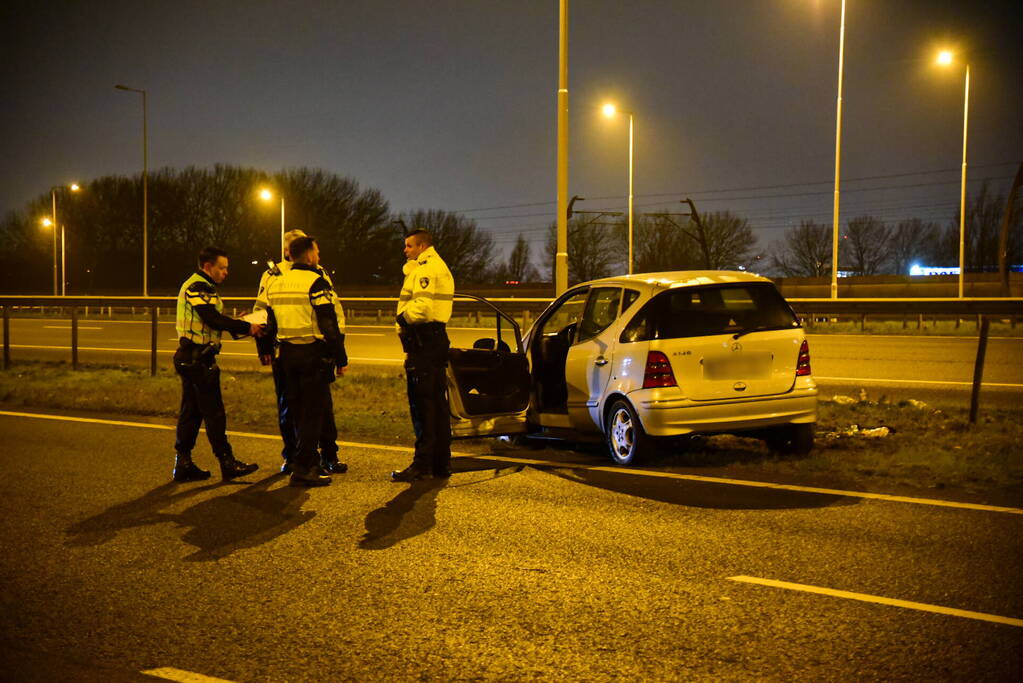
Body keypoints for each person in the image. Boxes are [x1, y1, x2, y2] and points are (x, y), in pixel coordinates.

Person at [254, 229, 347, 475]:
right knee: (293, 408)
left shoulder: (319, 272)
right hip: (297, 350)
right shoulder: (272, 275)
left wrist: (338, 342)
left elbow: (334, 309)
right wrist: (263, 348)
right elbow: (263, 313)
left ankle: (327, 455)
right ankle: (296, 458)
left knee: (319, 407)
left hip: (297, 350)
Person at [172, 246, 263, 482]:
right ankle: (227, 461)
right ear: (208, 266)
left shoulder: (201, 285)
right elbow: (211, 318)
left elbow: (212, 320)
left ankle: (183, 463)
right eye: (222, 268)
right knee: (214, 413)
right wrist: (247, 327)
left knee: (191, 411)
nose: (226, 273)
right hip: (198, 358)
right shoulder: (199, 286)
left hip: (192, 356)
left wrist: (237, 322)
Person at [390, 229, 455, 482]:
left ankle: (422, 465)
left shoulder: (426, 269)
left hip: (423, 342)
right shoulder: (438, 266)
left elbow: (422, 309)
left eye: (409, 246)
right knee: (437, 406)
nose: (405, 250)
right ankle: (441, 463)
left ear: (421, 246)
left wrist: (400, 318)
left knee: (423, 406)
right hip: (435, 340)